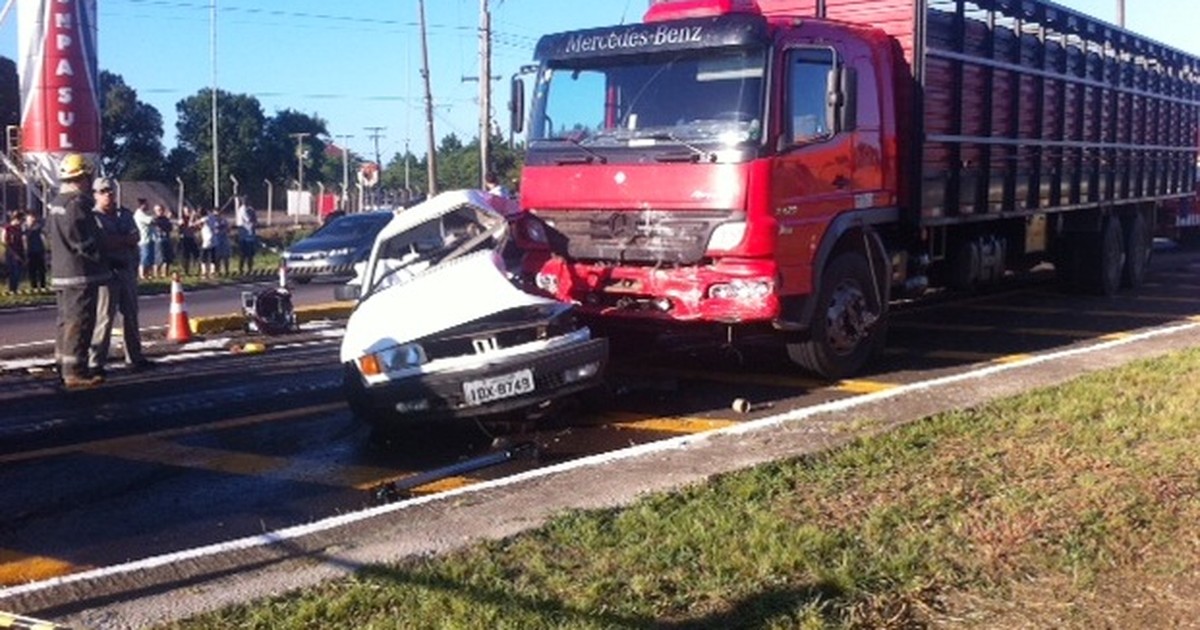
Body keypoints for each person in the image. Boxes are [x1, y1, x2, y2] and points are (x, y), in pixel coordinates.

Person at [47, 153, 110, 389]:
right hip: (80, 274)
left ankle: (63, 365)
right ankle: (75, 372)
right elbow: (84, 242)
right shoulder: (77, 204)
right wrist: (104, 257)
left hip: (62, 272)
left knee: (65, 322)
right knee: (80, 322)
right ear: (83, 176)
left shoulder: (56, 203)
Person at [89, 177, 153, 375]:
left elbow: (136, 237)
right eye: (103, 191)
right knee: (105, 318)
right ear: (95, 194)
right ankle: (96, 362)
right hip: (107, 272)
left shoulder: (123, 213)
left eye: (110, 190)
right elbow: (103, 243)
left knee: (131, 314)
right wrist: (123, 240)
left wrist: (120, 240)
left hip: (126, 269)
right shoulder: (94, 217)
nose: (108, 194)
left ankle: (134, 357)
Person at [23, 211, 48, 290]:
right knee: (32, 270)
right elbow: (24, 237)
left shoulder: (39, 226)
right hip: (30, 251)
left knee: (41, 269)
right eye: (31, 218)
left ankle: (43, 285)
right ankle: (33, 286)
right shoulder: (25, 227)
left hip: (39, 250)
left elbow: (45, 234)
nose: (33, 219)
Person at [132, 198, 156, 280]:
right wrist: (153, 218)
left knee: (149, 258)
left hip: (149, 238)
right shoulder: (139, 214)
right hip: (143, 239)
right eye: (146, 204)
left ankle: (147, 274)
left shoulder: (144, 214)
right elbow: (151, 221)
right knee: (144, 258)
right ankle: (142, 274)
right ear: (142, 205)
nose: (148, 206)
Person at [235, 197, 258, 275]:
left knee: (249, 254)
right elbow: (249, 220)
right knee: (245, 254)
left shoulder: (248, 209)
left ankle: (248, 269)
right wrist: (253, 215)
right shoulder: (243, 210)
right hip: (246, 235)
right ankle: (242, 269)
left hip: (248, 235)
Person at [3, 211, 24, 294]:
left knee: (18, 272)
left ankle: (15, 288)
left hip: (19, 252)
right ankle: (11, 289)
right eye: (21, 220)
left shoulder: (19, 229)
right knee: (13, 272)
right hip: (11, 253)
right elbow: (4, 242)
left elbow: (21, 242)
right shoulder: (7, 228)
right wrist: (13, 254)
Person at [152, 204, 174, 278]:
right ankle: (156, 274)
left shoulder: (166, 219)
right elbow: (158, 226)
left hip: (167, 239)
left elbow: (170, 228)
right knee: (159, 259)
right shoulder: (155, 219)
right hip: (158, 240)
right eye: (158, 210)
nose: (160, 211)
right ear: (155, 211)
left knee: (167, 259)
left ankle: (165, 273)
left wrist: (168, 220)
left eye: (162, 210)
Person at [197, 208, 217, 278]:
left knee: (203, 257)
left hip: (207, 240)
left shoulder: (205, 219)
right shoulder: (212, 217)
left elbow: (196, 224)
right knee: (212, 256)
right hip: (214, 239)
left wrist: (193, 217)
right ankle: (212, 272)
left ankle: (204, 272)